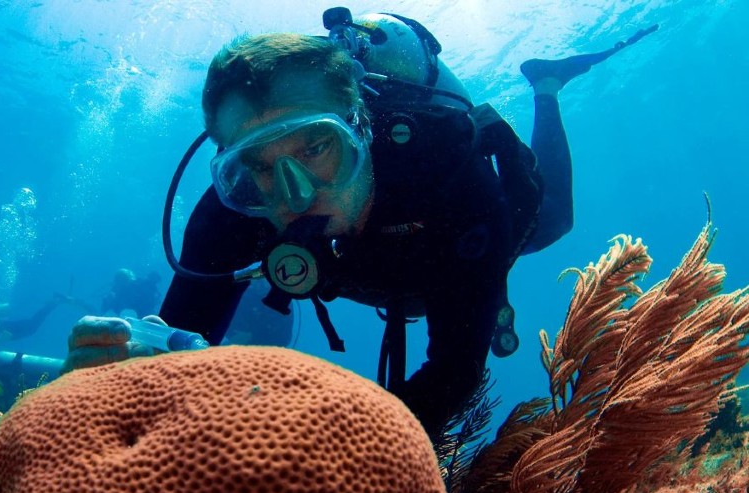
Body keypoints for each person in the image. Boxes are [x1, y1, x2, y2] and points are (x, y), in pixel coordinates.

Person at [66, 10, 653, 441]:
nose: (295, 194)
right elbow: (177, 349)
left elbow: (456, 369)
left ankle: (545, 87)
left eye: (319, 147)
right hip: (384, 269)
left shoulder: (449, 177)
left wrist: (342, 447)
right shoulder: (232, 213)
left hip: (444, 252)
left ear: (362, 129)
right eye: (259, 168)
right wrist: (120, 373)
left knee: (552, 221)